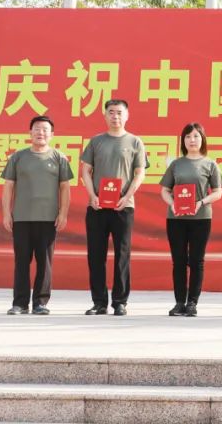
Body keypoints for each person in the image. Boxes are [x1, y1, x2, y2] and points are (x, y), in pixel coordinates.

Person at [1, 115, 73, 315]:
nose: (41, 133)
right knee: (21, 261)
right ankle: (20, 303)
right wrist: (6, 213)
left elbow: (65, 188)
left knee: (45, 262)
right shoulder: (18, 157)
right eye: (37, 129)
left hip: (48, 218)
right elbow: (8, 187)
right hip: (22, 218)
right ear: (30, 133)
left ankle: (41, 302)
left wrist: (63, 213)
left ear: (52, 134)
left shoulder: (59, 158)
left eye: (45, 130)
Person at [80, 99, 146, 316]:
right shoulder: (96, 141)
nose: (115, 116)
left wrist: (127, 196)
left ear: (127, 115)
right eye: (111, 112)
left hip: (123, 207)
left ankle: (120, 301)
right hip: (97, 206)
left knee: (122, 254)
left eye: (119, 112)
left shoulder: (135, 142)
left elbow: (139, 173)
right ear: (105, 115)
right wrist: (92, 195)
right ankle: (99, 302)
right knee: (95, 255)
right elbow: (85, 170)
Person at [159, 123, 222, 317]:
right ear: (183, 140)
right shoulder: (176, 164)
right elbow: (165, 190)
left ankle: (192, 302)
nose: (192, 140)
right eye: (188, 136)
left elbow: (218, 192)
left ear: (202, 139)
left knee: (196, 260)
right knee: (178, 261)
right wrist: (173, 204)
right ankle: (179, 302)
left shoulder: (210, 164)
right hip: (176, 218)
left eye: (196, 136)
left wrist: (200, 202)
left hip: (201, 218)